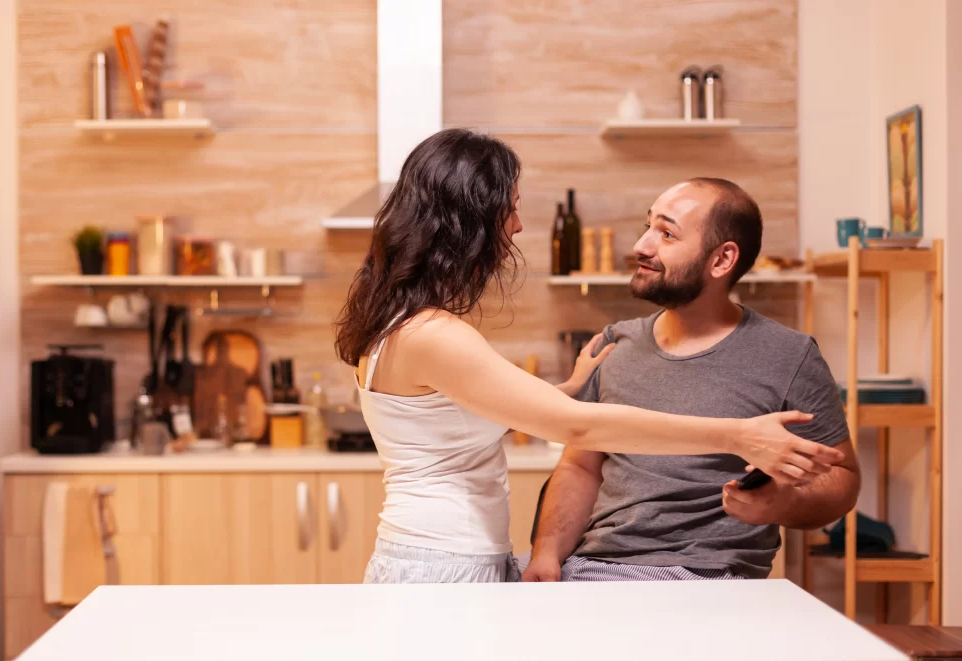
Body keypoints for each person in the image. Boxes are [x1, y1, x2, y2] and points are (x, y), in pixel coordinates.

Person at [333, 130, 844, 584]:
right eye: (508, 208)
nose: (517, 226)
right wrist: (736, 434)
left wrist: (561, 392)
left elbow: (473, 418)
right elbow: (577, 432)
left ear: (722, 259)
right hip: (442, 567)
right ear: (470, 221)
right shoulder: (433, 334)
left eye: (666, 232)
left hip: (440, 557)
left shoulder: (407, 324)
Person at [523, 178, 861, 583]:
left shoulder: (788, 355)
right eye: (647, 227)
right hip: (594, 570)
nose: (642, 247)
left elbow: (842, 479)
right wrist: (546, 554)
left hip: (706, 577)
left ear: (721, 260)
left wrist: (779, 505)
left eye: (666, 233)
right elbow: (580, 466)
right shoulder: (616, 343)